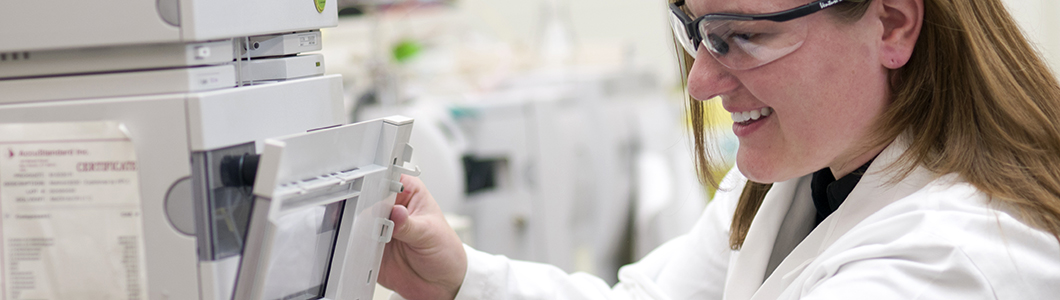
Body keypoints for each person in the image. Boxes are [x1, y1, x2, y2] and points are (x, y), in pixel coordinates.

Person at [378, 0, 1060, 298]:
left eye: (743, 35)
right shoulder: (808, 170)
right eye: (696, 30)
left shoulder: (953, 264)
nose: (702, 79)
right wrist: (460, 279)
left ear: (892, 24)